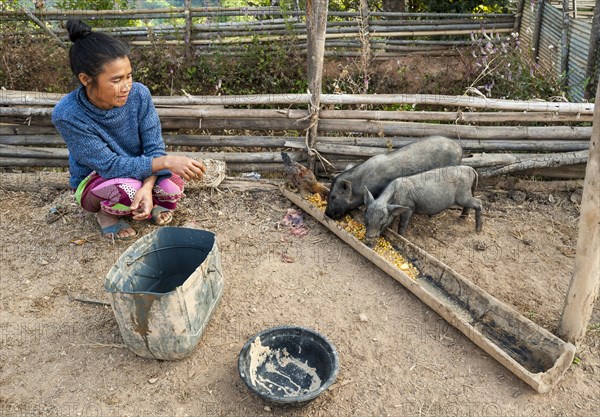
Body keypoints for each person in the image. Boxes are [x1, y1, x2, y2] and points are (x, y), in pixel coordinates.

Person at [52, 19, 205, 240]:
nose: (126, 87)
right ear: (85, 79)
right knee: (128, 188)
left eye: (129, 76)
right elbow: (109, 165)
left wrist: (148, 185)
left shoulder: (139, 95)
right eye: (116, 80)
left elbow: (154, 148)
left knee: (173, 184)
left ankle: (147, 200)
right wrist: (164, 163)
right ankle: (107, 216)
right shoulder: (68, 114)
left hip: (141, 173)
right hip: (98, 180)